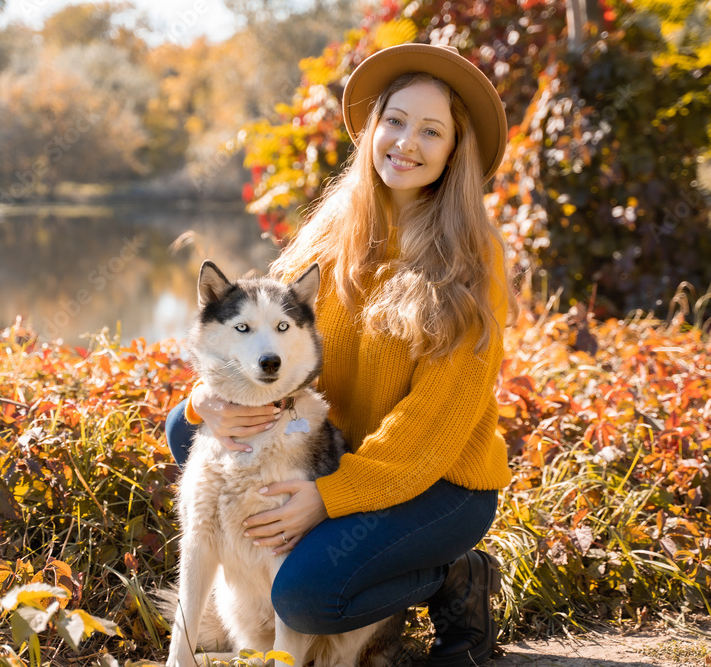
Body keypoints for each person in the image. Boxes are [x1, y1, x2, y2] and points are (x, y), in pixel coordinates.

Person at [164, 42, 517, 666]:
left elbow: (430, 427)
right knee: (184, 428)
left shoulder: (472, 259)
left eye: (431, 131)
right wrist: (206, 403)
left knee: (306, 601)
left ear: (454, 150)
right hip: (336, 452)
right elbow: (268, 343)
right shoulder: (332, 231)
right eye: (396, 120)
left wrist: (329, 499)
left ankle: (453, 577)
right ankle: (289, 575)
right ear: (374, 127)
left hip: (439, 482)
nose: (406, 142)